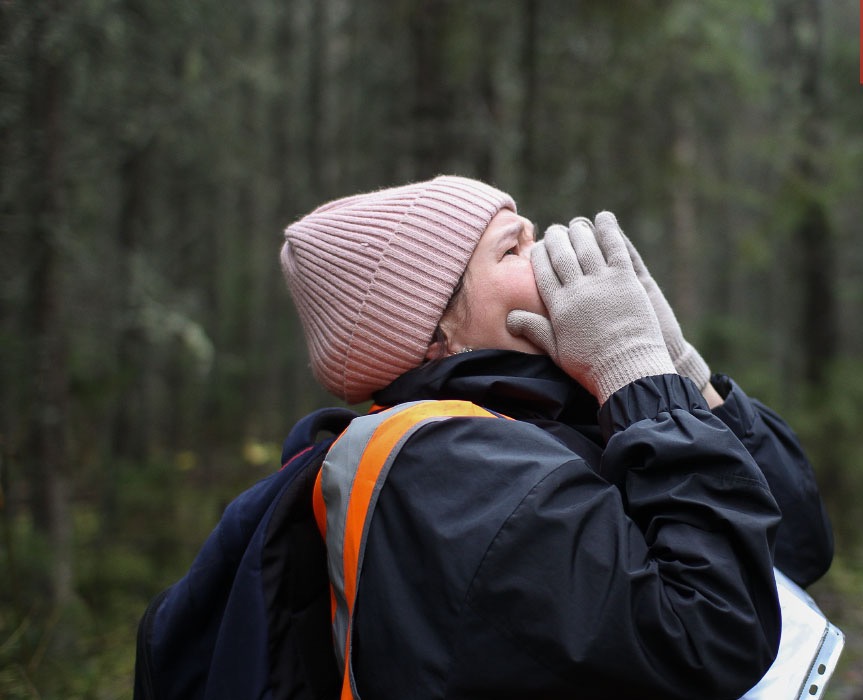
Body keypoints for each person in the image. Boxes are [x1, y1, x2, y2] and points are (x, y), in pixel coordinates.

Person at [280, 175, 834, 700]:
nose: (548, 254)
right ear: (435, 336)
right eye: (512, 250)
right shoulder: (447, 467)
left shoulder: (556, 414)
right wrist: (638, 377)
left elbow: (796, 548)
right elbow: (712, 634)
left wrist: (677, 372)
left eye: (531, 232)